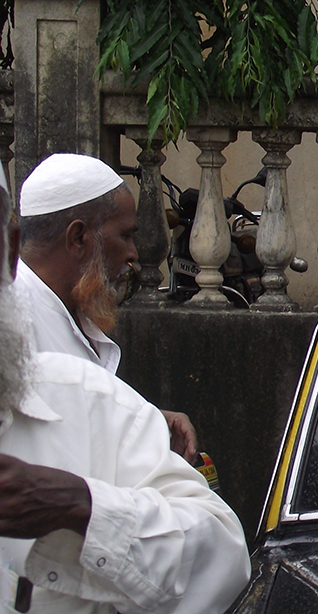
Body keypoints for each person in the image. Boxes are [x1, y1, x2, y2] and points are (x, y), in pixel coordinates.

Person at [0, 164, 251, 614]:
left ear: (7, 251)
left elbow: (221, 558)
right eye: (126, 235)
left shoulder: (78, 395)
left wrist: (80, 507)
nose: (139, 257)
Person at [16, 153, 199, 462]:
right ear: (78, 238)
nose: (132, 254)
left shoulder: (69, 311)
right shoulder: (13, 319)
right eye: (125, 235)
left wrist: (140, 420)